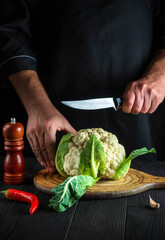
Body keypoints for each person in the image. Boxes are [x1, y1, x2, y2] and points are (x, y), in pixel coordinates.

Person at [0, 0, 165, 173]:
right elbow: (10, 31)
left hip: (142, 116)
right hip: (46, 112)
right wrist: (35, 104)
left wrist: (160, 75)